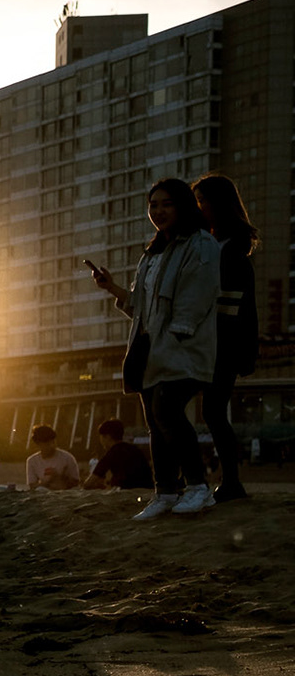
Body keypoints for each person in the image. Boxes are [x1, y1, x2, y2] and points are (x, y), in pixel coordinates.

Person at [87, 177, 222, 519]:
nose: (158, 211)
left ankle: (198, 487)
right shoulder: (154, 252)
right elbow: (141, 306)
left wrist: (177, 335)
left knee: (168, 412)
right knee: (155, 421)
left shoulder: (200, 243)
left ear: (183, 206)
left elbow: (198, 294)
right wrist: (112, 287)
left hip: (181, 347)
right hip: (149, 348)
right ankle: (165, 492)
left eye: (166, 204)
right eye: (153, 205)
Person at [193, 173, 259, 501]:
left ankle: (229, 481)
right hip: (206, 341)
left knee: (213, 412)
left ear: (218, 204)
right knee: (209, 411)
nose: (198, 207)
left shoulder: (231, 249)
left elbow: (231, 306)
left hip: (220, 343)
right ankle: (220, 481)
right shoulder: (210, 241)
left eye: (202, 201)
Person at [83, 418, 155, 490]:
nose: (101, 441)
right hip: (147, 489)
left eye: (101, 437)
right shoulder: (135, 449)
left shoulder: (111, 454)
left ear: (108, 437)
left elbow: (89, 483)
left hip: (128, 492)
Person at [24, 425, 81, 490]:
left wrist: (59, 477)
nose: (52, 446)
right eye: (47, 444)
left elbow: (76, 482)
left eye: (53, 442)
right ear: (38, 444)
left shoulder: (67, 458)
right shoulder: (32, 461)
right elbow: (32, 486)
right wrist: (46, 482)